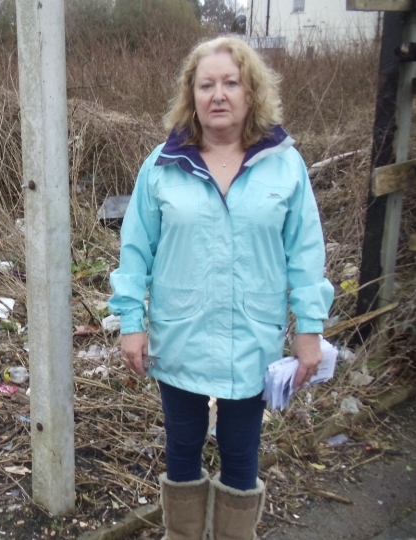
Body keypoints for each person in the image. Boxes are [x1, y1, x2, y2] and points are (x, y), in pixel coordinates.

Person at [108, 36, 333, 540]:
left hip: (253, 339)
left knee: (240, 453)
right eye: (206, 84)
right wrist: (131, 323)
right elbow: (136, 250)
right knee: (183, 449)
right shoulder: (163, 164)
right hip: (181, 334)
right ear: (191, 94)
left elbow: (305, 255)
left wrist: (309, 330)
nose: (219, 94)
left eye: (230, 83)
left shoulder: (284, 164)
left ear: (251, 92)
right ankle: (183, 534)